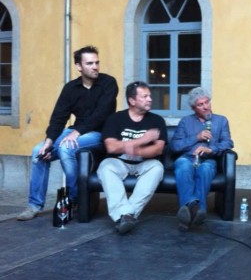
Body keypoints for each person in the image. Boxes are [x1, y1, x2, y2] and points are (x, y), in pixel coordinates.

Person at [17, 46, 118, 221]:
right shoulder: (71, 88)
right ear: (79, 66)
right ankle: (34, 205)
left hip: (100, 133)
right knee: (38, 152)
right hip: (75, 132)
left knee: (66, 147)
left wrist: (77, 132)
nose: (95, 67)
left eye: (97, 62)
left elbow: (101, 114)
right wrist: (49, 141)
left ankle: (75, 198)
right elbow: (58, 117)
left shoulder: (108, 83)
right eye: (90, 63)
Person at [97, 81, 167, 234]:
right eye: (145, 96)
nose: (150, 99)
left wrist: (128, 147)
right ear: (132, 101)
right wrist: (143, 141)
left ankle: (126, 215)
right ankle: (126, 215)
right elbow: (111, 147)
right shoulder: (115, 119)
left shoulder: (157, 120)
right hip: (119, 162)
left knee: (157, 167)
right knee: (106, 167)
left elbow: (157, 149)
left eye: (149, 95)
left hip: (145, 163)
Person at [170, 87, 234, 232]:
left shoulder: (221, 120)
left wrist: (211, 149)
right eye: (201, 104)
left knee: (205, 169)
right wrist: (196, 138)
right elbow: (175, 146)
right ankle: (197, 209)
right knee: (184, 166)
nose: (206, 107)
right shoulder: (186, 122)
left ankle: (188, 212)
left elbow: (228, 143)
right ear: (194, 108)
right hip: (187, 158)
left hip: (208, 159)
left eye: (207, 102)